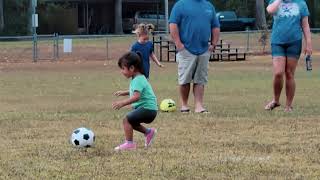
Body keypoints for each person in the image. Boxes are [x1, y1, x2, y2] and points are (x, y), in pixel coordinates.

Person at [169, 0, 220, 113]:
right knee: (184, 79)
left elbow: (215, 26)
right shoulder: (180, 5)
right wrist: (178, 44)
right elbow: (173, 24)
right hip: (186, 49)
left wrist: (213, 44)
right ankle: (184, 105)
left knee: (200, 80)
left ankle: (199, 106)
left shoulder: (209, 6)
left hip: (204, 50)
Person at [265, 0, 312, 112]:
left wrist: (308, 43)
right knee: (278, 73)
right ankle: (276, 101)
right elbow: (270, 10)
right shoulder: (275, 1)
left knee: (289, 73)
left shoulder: (301, 3)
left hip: (294, 42)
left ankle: (288, 106)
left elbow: (305, 25)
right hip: (277, 41)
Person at [112, 52, 158, 151]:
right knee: (132, 122)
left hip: (147, 109)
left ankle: (129, 144)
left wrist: (122, 103)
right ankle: (149, 132)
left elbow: (136, 96)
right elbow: (136, 91)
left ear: (132, 68)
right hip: (150, 110)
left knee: (126, 120)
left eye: (123, 68)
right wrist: (124, 92)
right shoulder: (138, 78)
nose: (121, 71)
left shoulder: (138, 79)